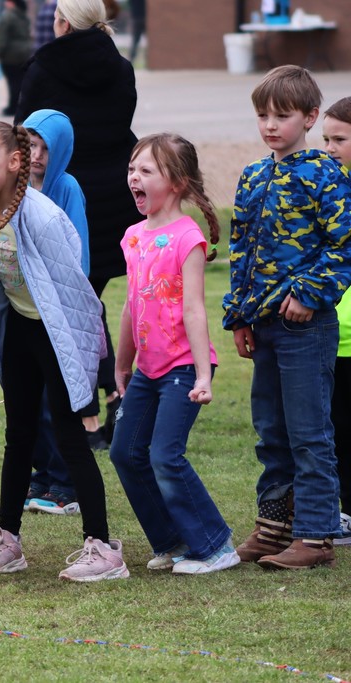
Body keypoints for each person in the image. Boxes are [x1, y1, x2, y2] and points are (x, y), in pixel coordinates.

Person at [0, 121, 129, 582]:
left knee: (71, 436)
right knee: (19, 435)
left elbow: (78, 295)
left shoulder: (43, 217)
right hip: (21, 331)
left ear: (15, 163)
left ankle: (102, 547)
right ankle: (7, 540)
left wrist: (89, 365)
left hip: (60, 335)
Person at [225, 66, 351, 570]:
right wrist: (239, 317)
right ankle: (273, 529)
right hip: (264, 326)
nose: (271, 125)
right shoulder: (254, 175)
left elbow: (344, 245)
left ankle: (317, 535)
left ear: (311, 117)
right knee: (270, 431)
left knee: (309, 432)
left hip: (307, 326)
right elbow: (240, 251)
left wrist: (307, 293)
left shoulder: (327, 174)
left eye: (283, 115)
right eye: (262, 115)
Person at [15, 0, 142, 450]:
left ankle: (83, 407)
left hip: (59, 194)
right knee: (92, 301)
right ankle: (114, 398)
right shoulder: (121, 67)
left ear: (63, 21)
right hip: (114, 195)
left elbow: (24, 134)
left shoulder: (43, 68)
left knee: (69, 310)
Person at [111, 133, 239, 575]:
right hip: (146, 368)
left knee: (165, 455)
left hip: (183, 367)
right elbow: (131, 303)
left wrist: (203, 375)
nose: (134, 177)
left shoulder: (187, 239)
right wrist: (122, 363)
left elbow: (194, 309)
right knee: (124, 452)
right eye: (133, 168)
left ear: (179, 183)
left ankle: (216, 545)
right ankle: (173, 540)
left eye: (147, 170)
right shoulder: (133, 237)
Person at [19, 108, 87, 515]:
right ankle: (42, 475)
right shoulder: (14, 185)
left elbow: (76, 254)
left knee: (54, 403)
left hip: (57, 313)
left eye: (46, 146)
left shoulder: (67, 188)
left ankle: (67, 484)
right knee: (27, 401)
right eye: (30, 145)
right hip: (24, 311)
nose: (38, 155)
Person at [322, 97, 351, 545]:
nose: (329, 148)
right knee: (334, 427)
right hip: (330, 334)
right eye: (325, 138)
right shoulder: (327, 190)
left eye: (339, 139)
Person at [0, 0, 31, 118]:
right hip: (24, 52)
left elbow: (2, 38)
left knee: (12, 82)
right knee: (19, 82)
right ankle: (20, 105)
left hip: (10, 54)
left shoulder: (8, 17)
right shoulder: (23, 16)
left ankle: (12, 107)